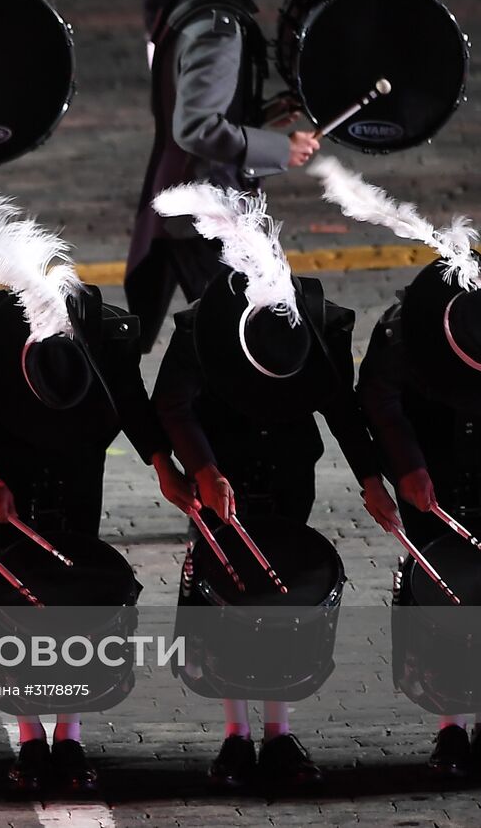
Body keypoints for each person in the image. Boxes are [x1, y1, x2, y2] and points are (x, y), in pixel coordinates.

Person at [0, 188, 196, 792]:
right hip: (7, 474)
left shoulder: (99, 341)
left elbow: (129, 399)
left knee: (76, 594)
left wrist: (161, 463)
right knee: (15, 603)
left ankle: (68, 738)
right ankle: (27, 740)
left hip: (78, 470)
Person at [150, 183, 397, 788]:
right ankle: (236, 736)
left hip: (289, 469)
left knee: (282, 594)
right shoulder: (205, 327)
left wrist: (371, 479)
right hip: (220, 469)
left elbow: (341, 407)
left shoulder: (314, 327)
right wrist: (200, 469)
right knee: (228, 594)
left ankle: (280, 735)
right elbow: (172, 402)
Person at [312, 156, 481, 777]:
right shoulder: (406, 329)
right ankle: (450, 723)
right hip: (432, 461)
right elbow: (376, 396)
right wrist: (403, 468)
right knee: (442, 589)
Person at [126, 0, 317, 352]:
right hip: (205, 213)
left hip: (186, 204)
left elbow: (193, 109)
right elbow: (194, 127)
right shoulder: (217, 28)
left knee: (224, 341)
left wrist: (265, 118)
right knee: (248, 343)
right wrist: (279, 150)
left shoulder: (190, 9)